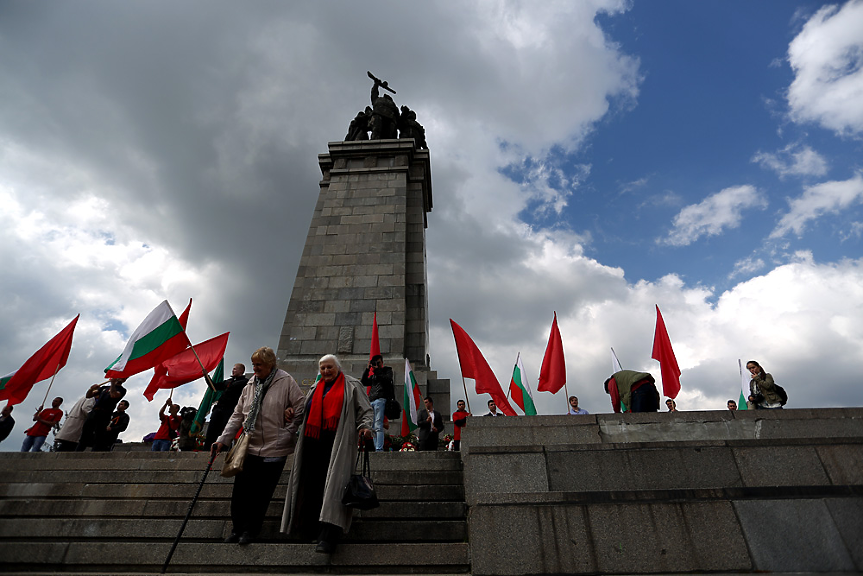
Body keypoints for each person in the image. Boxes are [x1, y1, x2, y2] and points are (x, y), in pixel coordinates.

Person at [281, 354, 373, 555]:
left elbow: (365, 410)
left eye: (329, 367)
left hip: (337, 445)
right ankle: (309, 529)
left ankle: (328, 537)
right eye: (322, 368)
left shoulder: (352, 385)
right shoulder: (315, 387)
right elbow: (303, 411)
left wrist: (365, 427)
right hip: (312, 444)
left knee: (334, 489)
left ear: (338, 367)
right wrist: (290, 412)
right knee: (312, 487)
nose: (326, 371)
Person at [212, 346, 305, 546]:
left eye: (259, 364)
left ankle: (250, 531)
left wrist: (288, 431)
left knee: (261, 494)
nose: (255, 368)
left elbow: (300, 407)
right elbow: (237, 415)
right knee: (241, 492)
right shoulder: (249, 385)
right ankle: (237, 529)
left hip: (275, 448)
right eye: (253, 364)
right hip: (249, 446)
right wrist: (223, 439)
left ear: (270, 364)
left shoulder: (286, 381)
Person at [204, 363, 249, 449]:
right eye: (233, 368)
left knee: (225, 430)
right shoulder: (228, 381)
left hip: (230, 410)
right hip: (219, 408)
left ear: (241, 371)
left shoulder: (245, 382)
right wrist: (206, 376)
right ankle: (207, 448)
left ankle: (223, 449)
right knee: (212, 429)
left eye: (235, 369)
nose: (233, 370)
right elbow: (214, 386)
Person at [77, 378, 127, 451]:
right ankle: (78, 451)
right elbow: (88, 395)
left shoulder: (122, 390)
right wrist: (91, 389)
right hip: (94, 412)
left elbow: (113, 395)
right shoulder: (104, 388)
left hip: (105, 414)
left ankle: (94, 452)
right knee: (85, 433)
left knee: (99, 435)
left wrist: (113, 384)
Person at [361, 354, 394, 452]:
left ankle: (379, 449)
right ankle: (376, 447)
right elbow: (364, 382)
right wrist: (367, 369)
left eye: (378, 363)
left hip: (381, 399)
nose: (377, 365)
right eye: (375, 363)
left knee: (378, 424)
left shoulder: (387, 370)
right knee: (373, 426)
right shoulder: (374, 376)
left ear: (382, 362)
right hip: (372, 400)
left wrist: (377, 370)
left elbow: (387, 379)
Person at [54, 384, 99, 451]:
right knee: (69, 444)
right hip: (78, 423)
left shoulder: (85, 397)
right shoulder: (91, 398)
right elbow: (86, 408)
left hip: (74, 423)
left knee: (67, 444)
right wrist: (94, 417)